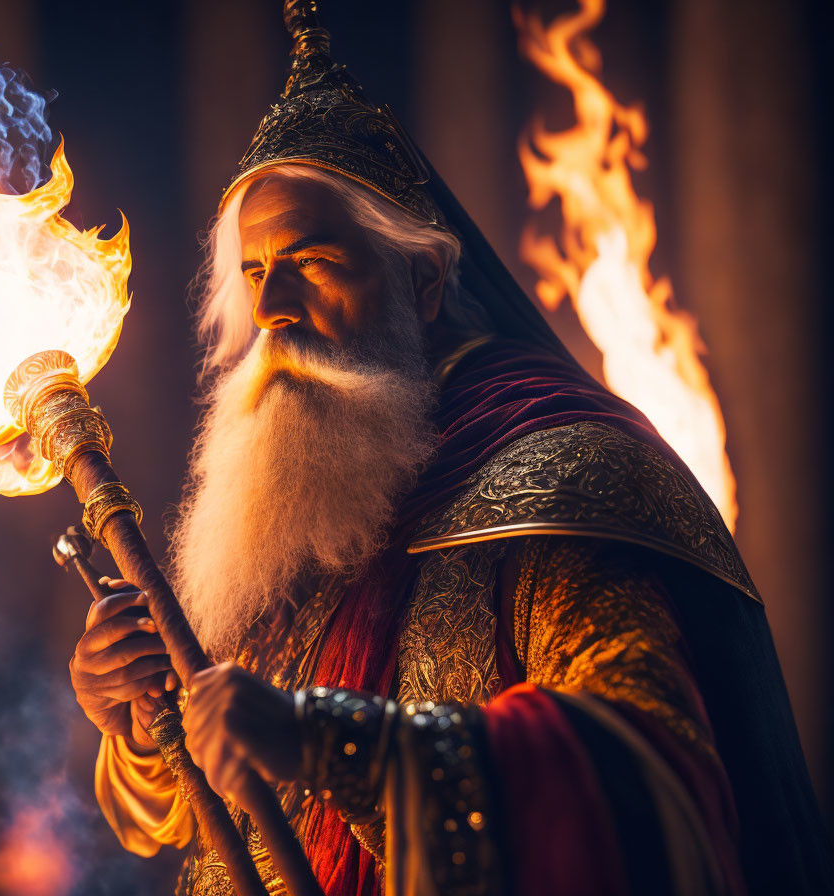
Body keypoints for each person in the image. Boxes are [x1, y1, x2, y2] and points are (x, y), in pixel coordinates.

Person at [68, 4, 832, 895]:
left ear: (423, 282)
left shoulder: (558, 475)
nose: (272, 304)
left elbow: (645, 768)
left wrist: (326, 741)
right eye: (253, 270)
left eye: (313, 261)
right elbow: (211, 813)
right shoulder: (298, 505)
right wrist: (139, 721)